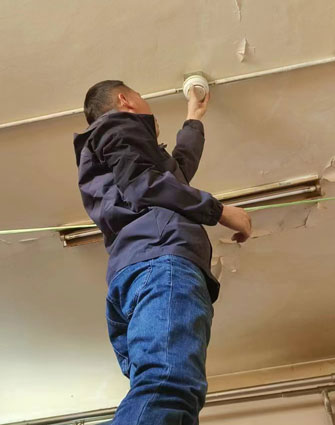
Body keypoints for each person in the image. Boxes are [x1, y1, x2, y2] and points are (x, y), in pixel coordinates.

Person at [73, 80, 252, 425]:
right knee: (169, 386)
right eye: (141, 96)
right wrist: (219, 212)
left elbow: (174, 177)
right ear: (125, 100)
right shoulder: (117, 126)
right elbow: (145, 185)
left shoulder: (117, 149)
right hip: (162, 261)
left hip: (141, 270)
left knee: (167, 396)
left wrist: (193, 118)